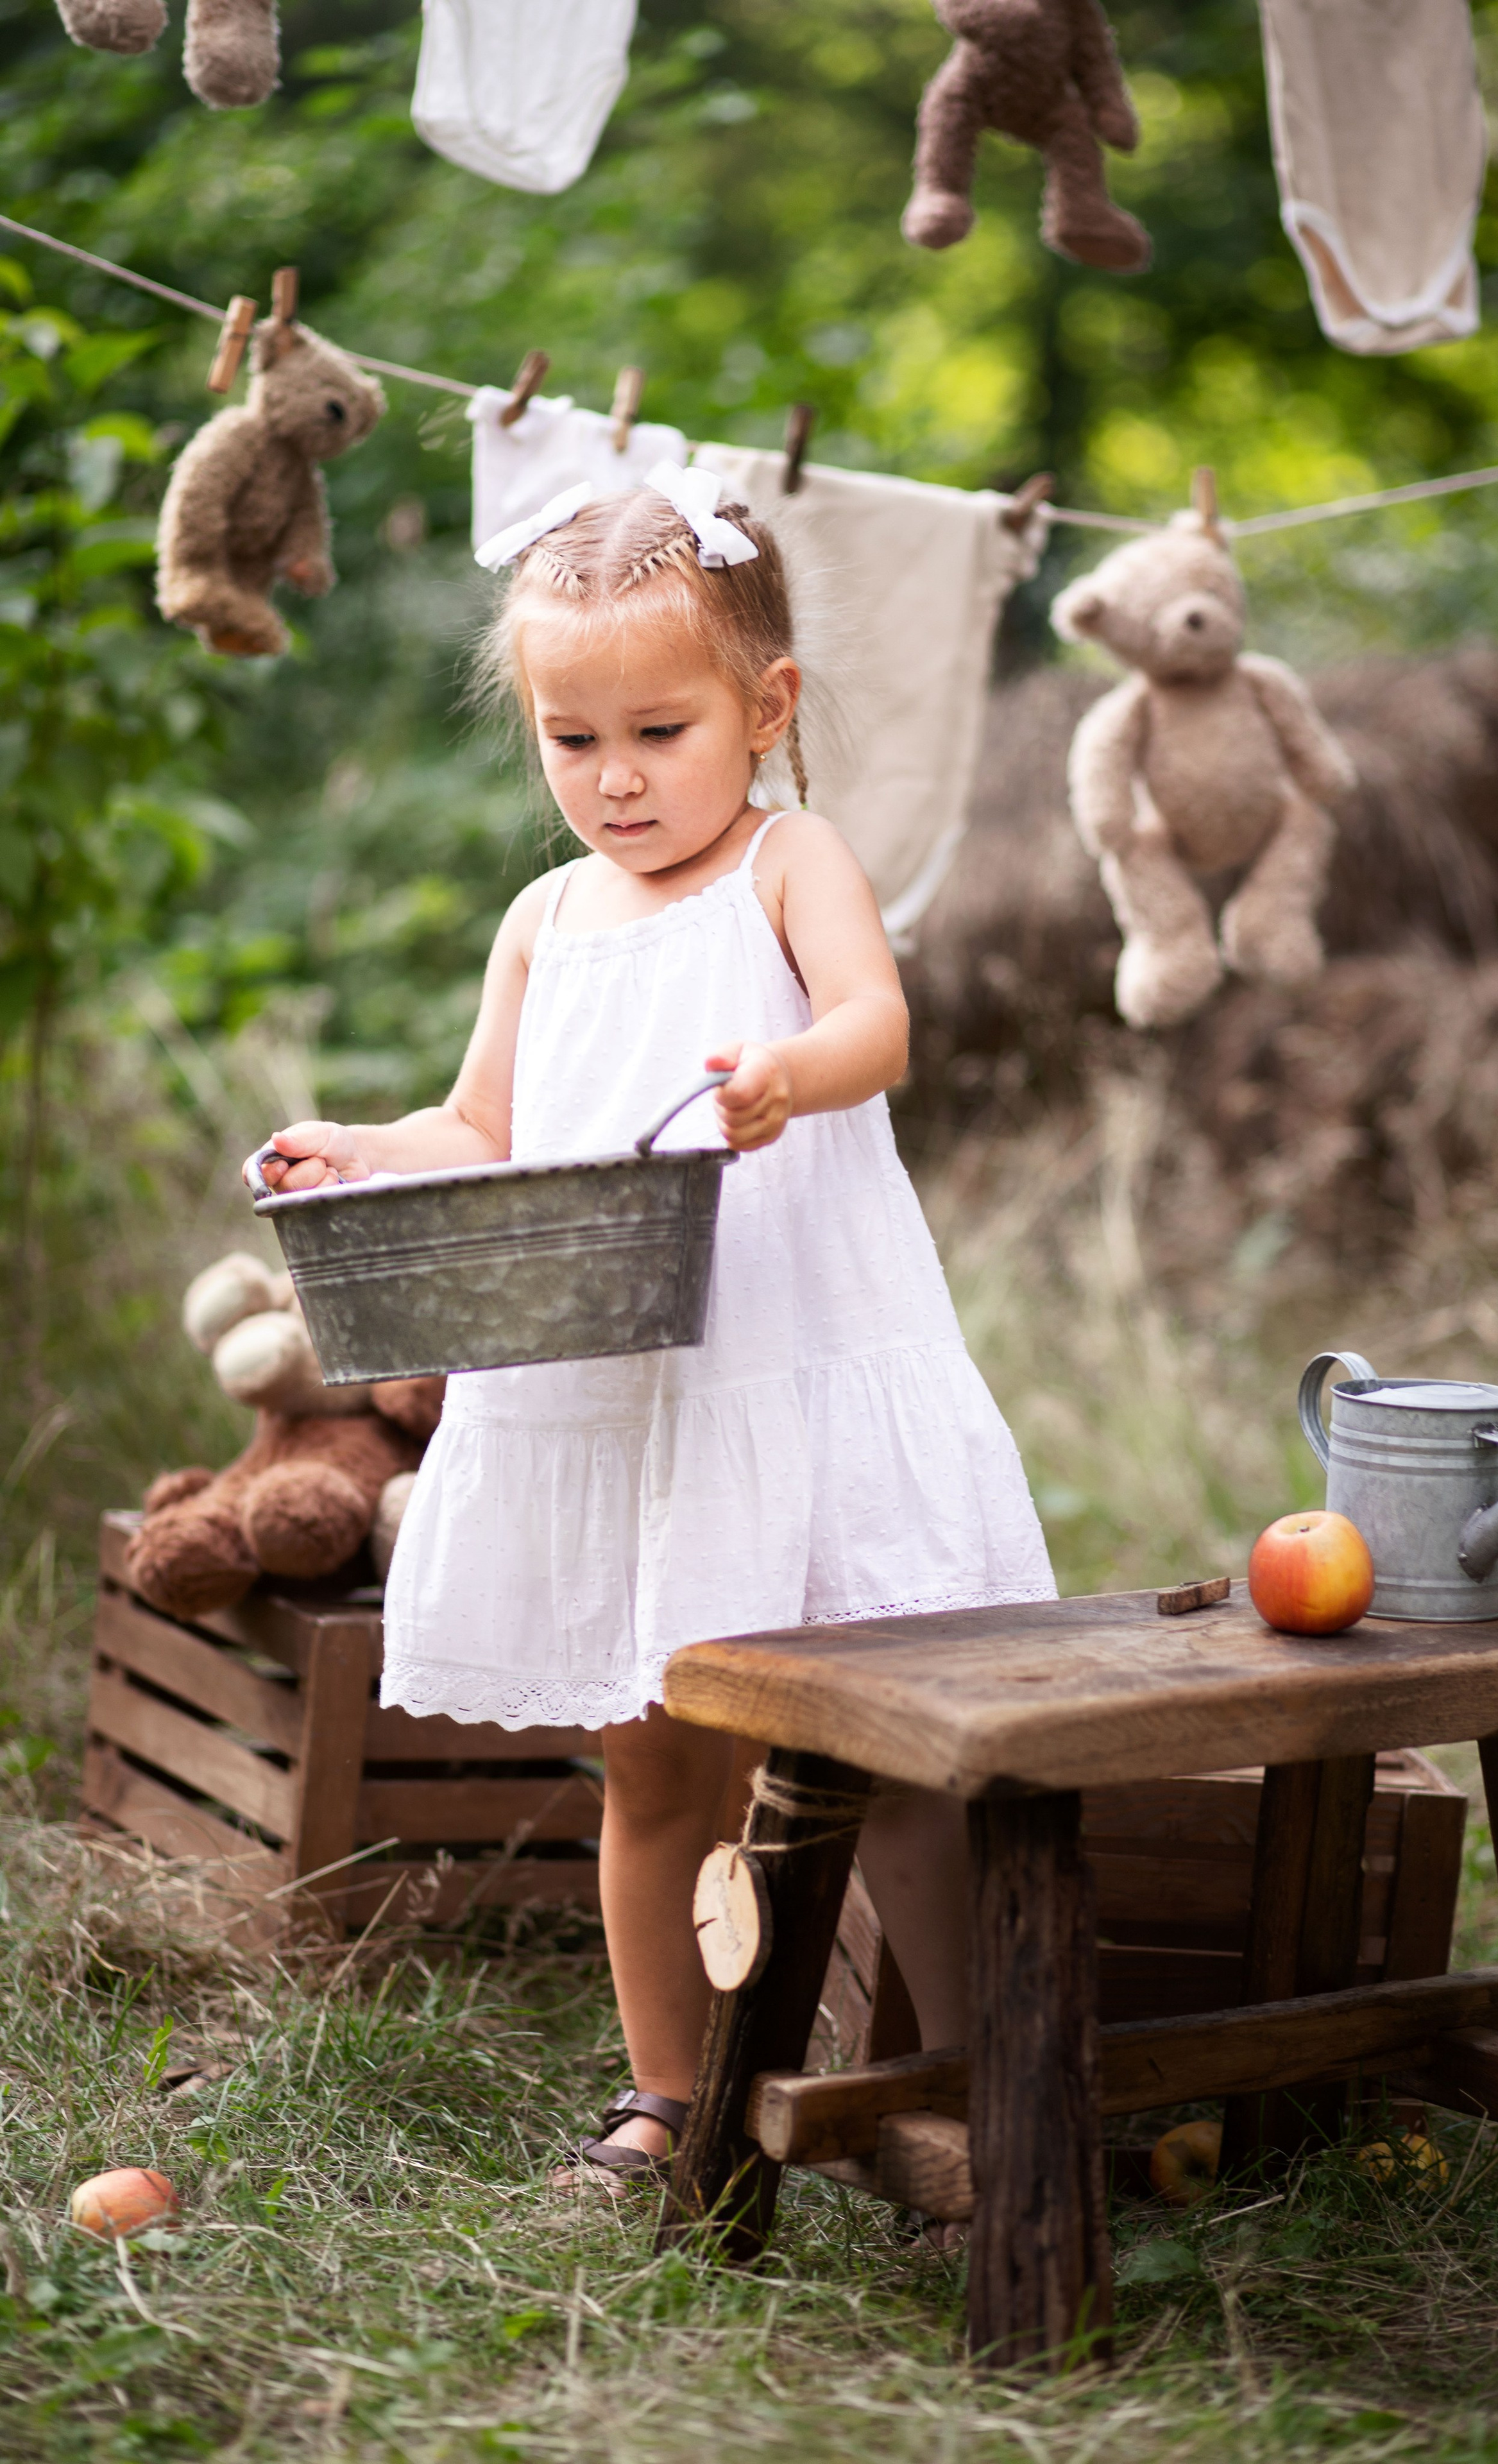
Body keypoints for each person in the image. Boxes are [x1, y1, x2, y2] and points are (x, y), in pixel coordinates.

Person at [250, 462, 1055, 2189]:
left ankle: (951, 2081)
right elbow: (484, 1127)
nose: (614, 777)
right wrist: (362, 1149)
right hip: (621, 1394)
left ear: (764, 710)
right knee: (653, 1760)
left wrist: (788, 1074)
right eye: (573, 739)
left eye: (659, 733)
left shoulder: (787, 862)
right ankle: (672, 2099)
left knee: (884, 1743)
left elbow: (878, 1023)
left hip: (792, 1364)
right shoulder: (545, 921)